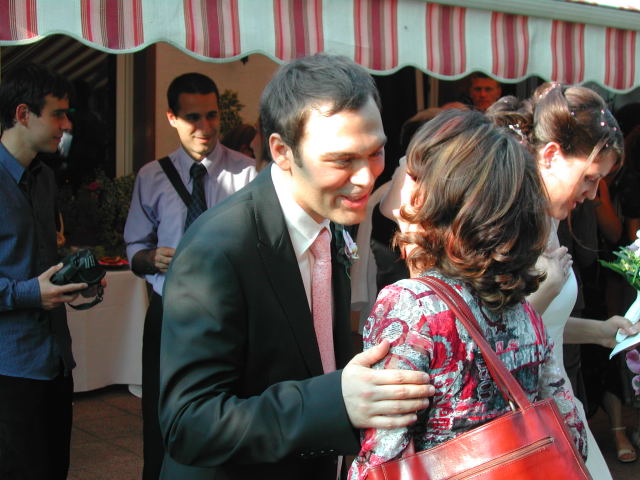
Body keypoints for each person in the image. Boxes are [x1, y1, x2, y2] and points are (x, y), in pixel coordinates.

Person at [158, 53, 435, 479]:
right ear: (281, 151)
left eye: (376, 152)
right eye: (342, 160)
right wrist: (335, 401)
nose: (366, 178)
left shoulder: (328, 222)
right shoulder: (218, 248)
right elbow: (189, 423)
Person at [348, 109, 587, 479]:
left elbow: (383, 457)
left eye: (414, 175)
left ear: (437, 194)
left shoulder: (412, 305)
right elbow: (572, 432)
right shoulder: (522, 308)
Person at [486, 83, 640, 479]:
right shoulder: (502, 228)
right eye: (589, 178)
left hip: (558, 408)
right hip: (520, 426)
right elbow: (486, 341)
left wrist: (602, 332)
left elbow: (545, 327)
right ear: (551, 155)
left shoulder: (550, 223)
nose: (592, 194)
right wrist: (547, 290)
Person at [123, 72, 257, 480]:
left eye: (211, 115)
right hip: (169, 311)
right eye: (193, 117)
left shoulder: (247, 173)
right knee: (159, 408)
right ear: (172, 118)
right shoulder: (151, 176)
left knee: (226, 405)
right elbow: (133, 248)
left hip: (229, 310)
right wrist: (151, 258)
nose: (205, 127)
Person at [0, 63, 93, 480]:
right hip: (9, 367)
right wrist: (30, 294)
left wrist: (73, 279)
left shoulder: (44, 179)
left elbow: (39, 261)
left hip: (55, 360)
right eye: (58, 114)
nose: (67, 125)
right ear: (23, 114)